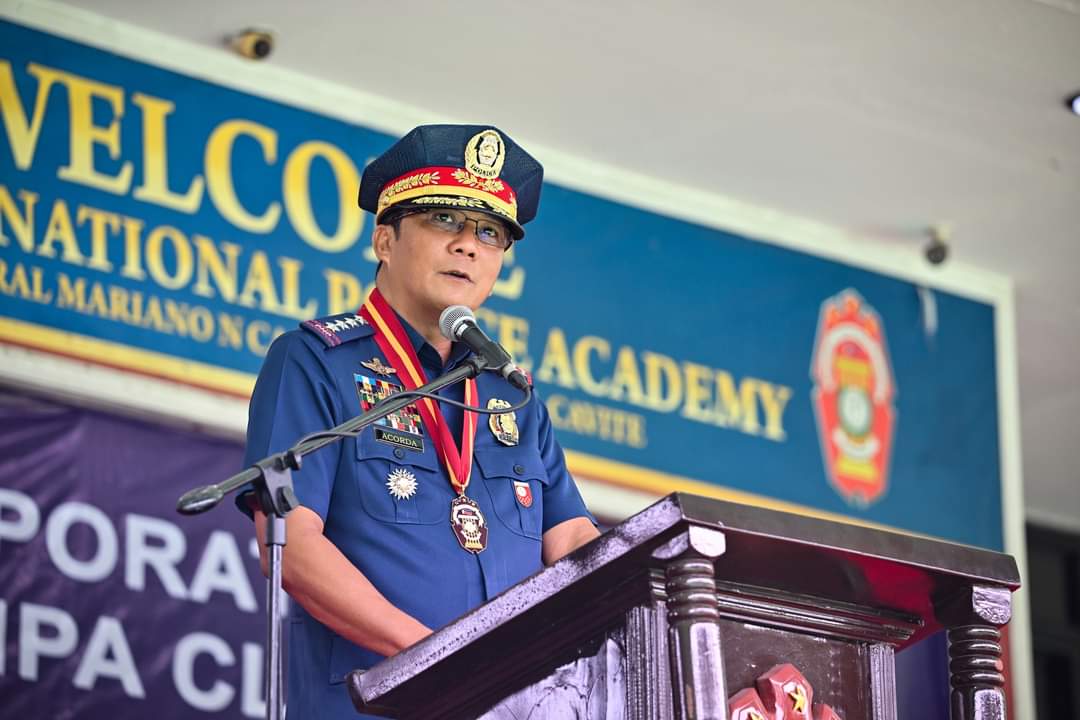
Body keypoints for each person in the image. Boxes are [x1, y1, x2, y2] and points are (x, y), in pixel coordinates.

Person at [241, 124, 600, 718]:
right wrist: (441, 662)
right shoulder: (314, 362)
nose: (468, 246)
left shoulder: (511, 395)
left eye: (489, 233)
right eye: (444, 220)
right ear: (385, 239)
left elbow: (573, 544)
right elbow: (291, 549)